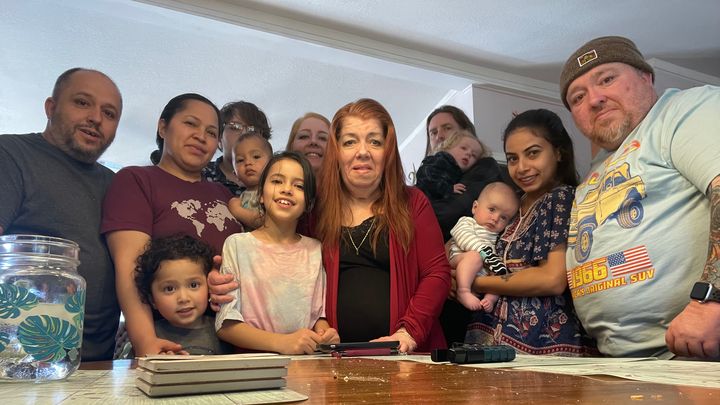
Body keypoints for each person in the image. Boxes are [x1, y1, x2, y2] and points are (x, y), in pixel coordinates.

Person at [560, 36, 720, 359]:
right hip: (623, 362)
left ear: (646, 76)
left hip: (694, 353)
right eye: (578, 97)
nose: (594, 99)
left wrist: (712, 298)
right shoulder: (597, 166)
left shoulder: (682, 110)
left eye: (607, 79)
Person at [102, 93, 243, 356]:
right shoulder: (137, 180)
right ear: (163, 126)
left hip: (231, 337)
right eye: (191, 123)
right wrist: (145, 341)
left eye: (211, 132)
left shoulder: (225, 195)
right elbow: (131, 268)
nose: (201, 136)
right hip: (169, 338)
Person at [0, 67, 122, 361]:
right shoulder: (10, 153)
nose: (96, 118)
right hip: (21, 360)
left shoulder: (117, 183)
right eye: (82, 102)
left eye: (109, 113)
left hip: (99, 361)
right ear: (50, 107)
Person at [314, 98, 451, 353]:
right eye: (350, 142)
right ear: (336, 152)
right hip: (333, 359)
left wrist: (408, 331)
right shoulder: (316, 210)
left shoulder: (413, 202)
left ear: (387, 152)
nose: (363, 151)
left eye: (375, 142)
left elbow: (437, 274)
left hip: (406, 356)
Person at [465, 109, 595, 356]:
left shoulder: (560, 198)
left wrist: (474, 282)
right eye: (512, 158)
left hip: (542, 347)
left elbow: (552, 279)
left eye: (533, 153)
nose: (522, 167)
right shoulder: (512, 204)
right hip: (490, 340)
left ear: (558, 152)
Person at [217, 152, 340, 354]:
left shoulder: (314, 250)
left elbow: (319, 317)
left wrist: (325, 335)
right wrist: (282, 343)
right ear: (261, 195)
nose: (287, 189)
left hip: (304, 364)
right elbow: (226, 325)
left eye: (299, 186)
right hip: (252, 365)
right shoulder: (237, 245)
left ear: (309, 203)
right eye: (277, 181)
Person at [423, 106, 503, 348]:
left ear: (465, 132)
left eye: (447, 128)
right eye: (433, 132)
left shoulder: (484, 167)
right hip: (438, 280)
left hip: (467, 278)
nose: (439, 135)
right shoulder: (435, 171)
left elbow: (450, 213)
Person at [135, 235, 231, 355]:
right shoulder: (149, 337)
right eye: (169, 289)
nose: (183, 298)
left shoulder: (225, 329)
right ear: (152, 300)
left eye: (193, 285)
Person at [448, 182, 519, 311]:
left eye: (503, 217)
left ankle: (490, 299)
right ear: (475, 207)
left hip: (481, 273)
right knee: (474, 256)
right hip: (459, 261)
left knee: (500, 274)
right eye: (492, 209)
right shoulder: (467, 222)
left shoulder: (497, 237)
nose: (495, 218)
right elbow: (463, 237)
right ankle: (463, 291)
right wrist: (484, 252)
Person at [203, 101, 272, 195]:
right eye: (235, 127)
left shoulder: (278, 179)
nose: (244, 134)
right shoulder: (201, 174)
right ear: (219, 136)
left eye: (253, 130)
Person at [416, 129, 489, 201]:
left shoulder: (460, 174)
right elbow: (425, 175)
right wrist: (447, 189)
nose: (469, 153)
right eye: (463, 148)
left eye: (474, 155)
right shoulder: (441, 160)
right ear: (448, 147)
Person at [227, 132, 273, 230]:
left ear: (272, 165)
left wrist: (237, 210)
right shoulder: (241, 197)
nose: (248, 162)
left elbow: (267, 222)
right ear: (235, 174)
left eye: (256, 157)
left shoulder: (272, 192)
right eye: (240, 160)